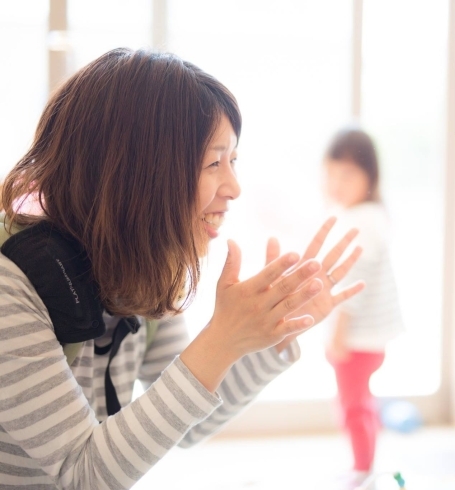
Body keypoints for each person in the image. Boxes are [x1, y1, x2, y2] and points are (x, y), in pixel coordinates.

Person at [0, 48, 365, 488]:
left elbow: (187, 420)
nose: (234, 187)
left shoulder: (140, 263)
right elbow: (82, 473)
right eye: (214, 162)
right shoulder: (10, 281)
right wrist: (221, 339)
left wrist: (272, 332)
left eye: (233, 160)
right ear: (137, 171)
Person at [322, 128, 404, 487]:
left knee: (351, 406)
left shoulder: (361, 222)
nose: (336, 184)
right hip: (369, 336)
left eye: (347, 175)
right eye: (331, 174)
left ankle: (362, 470)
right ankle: (364, 462)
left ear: (369, 178)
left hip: (358, 337)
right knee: (359, 402)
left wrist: (338, 335)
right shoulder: (364, 215)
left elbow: (353, 285)